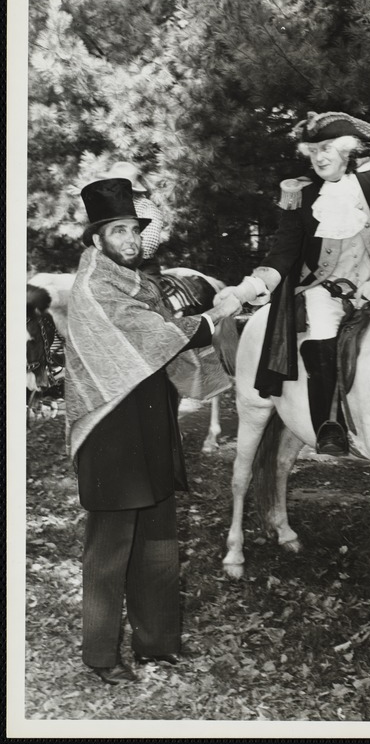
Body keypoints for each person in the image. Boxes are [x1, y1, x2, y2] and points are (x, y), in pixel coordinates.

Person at [65, 177, 232, 685]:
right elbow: (157, 337)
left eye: (135, 229)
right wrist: (213, 316)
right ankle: (100, 656)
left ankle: (156, 646)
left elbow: (161, 337)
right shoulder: (95, 286)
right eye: (119, 230)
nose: (131, 239)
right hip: (109, 433)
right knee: (110, 547)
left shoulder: (140, 285)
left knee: (159, 541)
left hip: (150, 424)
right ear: (98, 239)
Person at [214, 111, 370, 456]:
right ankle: (330, 426)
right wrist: (244, 290)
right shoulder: (302, 197)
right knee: (322, 335)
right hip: (325, 292)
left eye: (326, 148)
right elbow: (282, 255)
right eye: (312, 151)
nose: (319, 157)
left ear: (345, 149)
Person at [103, 161, 164, 262]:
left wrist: (126, 258)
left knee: (147, 277)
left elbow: (150, 242)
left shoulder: (145, 206)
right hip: (110, 262)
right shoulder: (107, 207)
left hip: (139, 262)